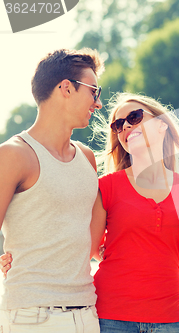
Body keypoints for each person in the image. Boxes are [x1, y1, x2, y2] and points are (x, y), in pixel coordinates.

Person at [0, 48, 104, 332]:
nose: (99, 103)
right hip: (32, 317)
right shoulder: (13, 155)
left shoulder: (87, 157)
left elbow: (93, 243)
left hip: (86, 313)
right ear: (66, 88)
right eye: (94, 91)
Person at [89, 93, 179, 333]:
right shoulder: (106, 186)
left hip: (171, 317)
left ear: (161, 124)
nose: (126, 126)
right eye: (118, 125)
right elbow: (88, 248)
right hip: (111, 316)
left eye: (135, 117)